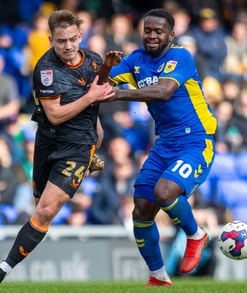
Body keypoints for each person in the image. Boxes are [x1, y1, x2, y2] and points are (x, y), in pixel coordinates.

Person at [0, 9, 120, 287]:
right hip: (48, 143)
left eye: (72, 39)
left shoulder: (93, 60)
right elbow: (56, 114)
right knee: (38, 209)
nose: (67, 46)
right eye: (60, 41)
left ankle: (3, 269)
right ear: (50, 40)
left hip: (79, 147)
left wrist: (105, 72)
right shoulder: (45, 70)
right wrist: (92, 96)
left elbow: (100, 88)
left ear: (81, 35)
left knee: (45, 211)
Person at [92, 8, 217, 286]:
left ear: (171, 35)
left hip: (196, 140)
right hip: (165, 143)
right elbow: (100, 86)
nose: (151, 35)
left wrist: (119, 95)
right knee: (141, 209)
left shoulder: (180, 55)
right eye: (147, 30)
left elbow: (163, 91)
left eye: (158, 31)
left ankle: (195, 235)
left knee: (164, 192)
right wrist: (106, 67)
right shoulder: (135, 60)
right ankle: (158, 276)